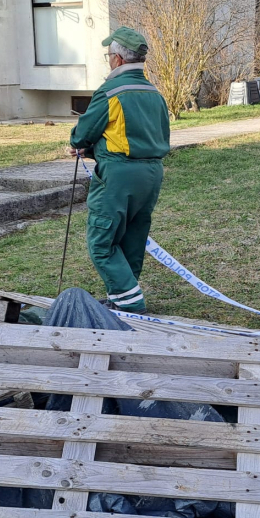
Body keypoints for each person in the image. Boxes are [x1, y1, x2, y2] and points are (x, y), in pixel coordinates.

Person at [69, 27, 170, 315]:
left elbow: (83, 134)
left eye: (108, 56)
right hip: (152, 173)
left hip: (119, 174)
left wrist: (80, 145)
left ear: (117, 59)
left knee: (102, 241)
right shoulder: (155, 93)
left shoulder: (110, 91)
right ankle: (122, 297)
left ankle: (131, 304)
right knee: (133, 237)